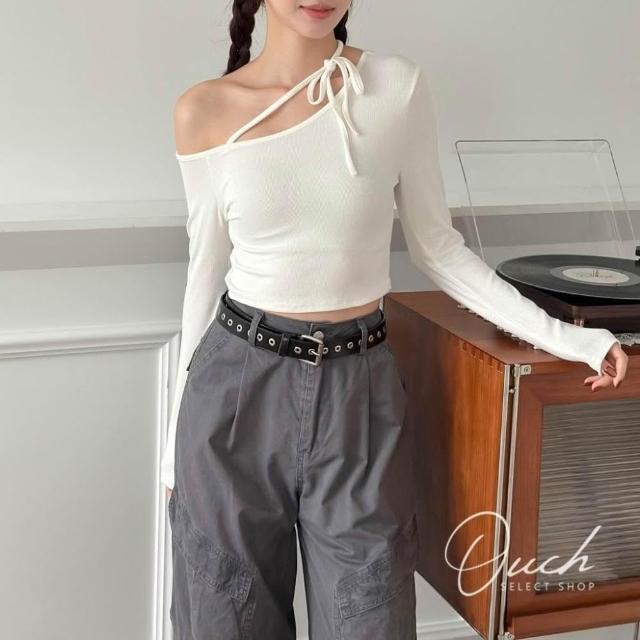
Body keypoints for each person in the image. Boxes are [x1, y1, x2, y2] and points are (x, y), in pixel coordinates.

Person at [162, 1, 628, 638]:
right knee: (225, 619)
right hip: (234, 391)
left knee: (370, 618)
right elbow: (203, 276)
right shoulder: (204, 110)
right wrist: (173, 457)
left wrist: (571, 338)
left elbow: (439, 249)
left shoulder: (395, 86)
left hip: (360, 391)